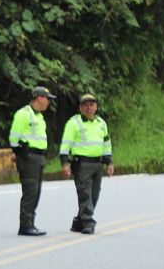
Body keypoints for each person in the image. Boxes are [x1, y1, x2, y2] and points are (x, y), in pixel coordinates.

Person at [59, 92, 113, 234]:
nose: (89, 108)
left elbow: (106, 144)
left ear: (96, 107)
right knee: (85, 194)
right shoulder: (74, 123)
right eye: (85, 106)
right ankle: (88, 222)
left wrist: (109, 162)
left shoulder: (101, 123)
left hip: (97, 164)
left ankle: (79, 222)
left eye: (91, 105)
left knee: (94, 194)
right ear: (80, 108)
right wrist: (65, 163)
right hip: (81, 164)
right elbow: (65, 144)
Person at [9, 85, 53, 236]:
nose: (48, 102)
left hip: (39, 157)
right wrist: (20, 152)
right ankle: (25, 225)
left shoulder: (39, 117)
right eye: (47, 99)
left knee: (36, 192)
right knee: (30, 191)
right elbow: (14, 137)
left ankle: (31, 223)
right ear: (40, 98)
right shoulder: (24, 114)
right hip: (28, 158)